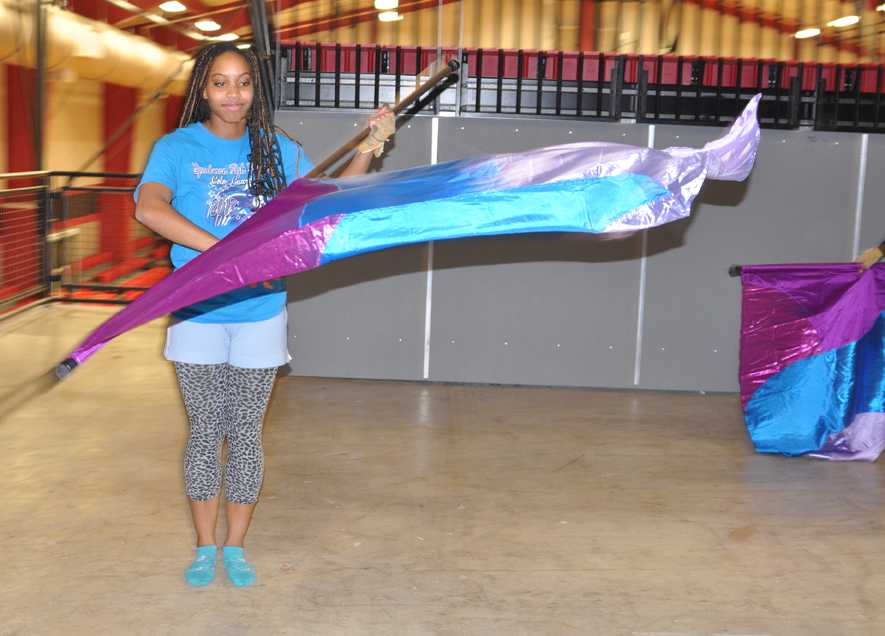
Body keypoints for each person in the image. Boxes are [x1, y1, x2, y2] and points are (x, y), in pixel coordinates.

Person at [134, 42, 394, 587]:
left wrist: (371, 144)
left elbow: (330, 196)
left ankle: (235, 547)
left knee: (245, 432)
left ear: (256, 90)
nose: (234, 93)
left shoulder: (274, 148)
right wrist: (220, 252)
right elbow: (149, 207)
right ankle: (204, 546)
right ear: (203, 89)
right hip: (197, 310)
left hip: (260, 310)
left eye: (244, 82)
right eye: (222, 82)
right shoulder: (176, 147)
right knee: (206, 430)